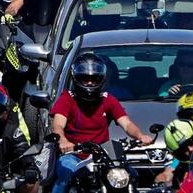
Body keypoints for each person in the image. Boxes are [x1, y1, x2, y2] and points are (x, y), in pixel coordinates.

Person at [50, 54, 155, 193]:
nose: (89, 83)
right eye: (85, 79)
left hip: (103, 156)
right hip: (74, 155)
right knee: (66, 173)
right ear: (77, 79)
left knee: (130, 174)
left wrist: (140, 136)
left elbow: (127, 124)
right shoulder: (67, 98)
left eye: (94, 79)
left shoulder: (108, 99)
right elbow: (57, 125)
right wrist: (63, 142)